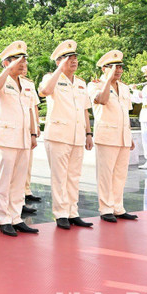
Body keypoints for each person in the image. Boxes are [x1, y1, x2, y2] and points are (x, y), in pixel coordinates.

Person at [37, 40, 94, 230]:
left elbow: (85, 109)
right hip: (58, 135)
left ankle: (72, 212)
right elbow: (44, 91)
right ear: (59, 61)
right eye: (68, 58)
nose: (74, 61)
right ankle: (61, 213)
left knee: (74, 176)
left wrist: (88, 133)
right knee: (60, 177)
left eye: (75, 57)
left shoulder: (80, 83)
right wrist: (59, 69)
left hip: (77, 136)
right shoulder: (50, 78)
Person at [0, 41, 39, 237]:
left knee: (19, 180)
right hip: (6, 137)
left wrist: (33, 133)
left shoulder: (27, 84)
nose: (22, 64)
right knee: (5, 180)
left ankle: (16, 217)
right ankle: (4, 219)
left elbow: (30, 110)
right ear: (6, 63)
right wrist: (7, 70)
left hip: (23, 137)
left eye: (24, 60)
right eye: (17, 60)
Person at [87, 50, 138, 223]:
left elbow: (125, 113)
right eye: (114, 67)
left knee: (120, 174)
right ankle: (106, 209)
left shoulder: (124, 87)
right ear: (104, 69)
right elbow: (101, 100)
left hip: (123, 136)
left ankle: (118, 207)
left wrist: (129, 135)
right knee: (105, 175)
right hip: (107, 136)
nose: (118, 70)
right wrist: (108, 80)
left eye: (120, 67)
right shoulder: (94, 85)